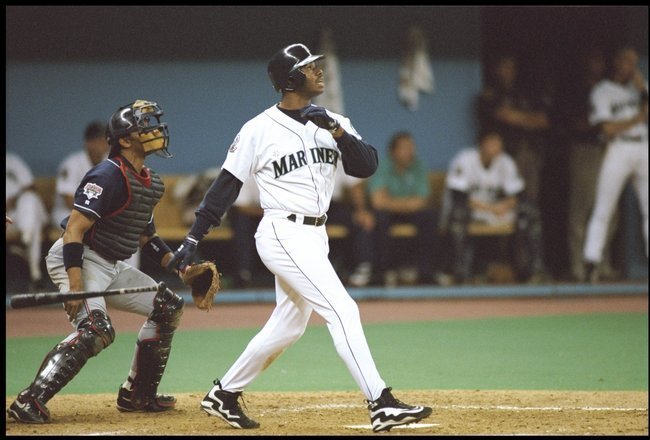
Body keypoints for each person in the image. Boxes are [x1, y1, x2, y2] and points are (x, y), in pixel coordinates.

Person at [167, 43, 432, 432]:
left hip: (316, 234)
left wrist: (336, 130)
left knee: (290, 324)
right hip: (281, 232)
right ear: (291, 79)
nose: (320, 72)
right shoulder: (258, 129)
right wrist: (193, 238)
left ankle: (223, 394)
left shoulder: (333, 121)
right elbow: (224, 187)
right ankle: (381, 402)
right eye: (311, 68)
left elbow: (367, 166)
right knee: (343, 310)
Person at [7, 100, 185, 424]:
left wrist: (183, 268)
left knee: (168, 306)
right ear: (125, 140)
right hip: (76, 257)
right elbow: (74, 229)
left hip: (110, 264)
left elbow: (149, 239)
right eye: (144, 127)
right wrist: (76, 286)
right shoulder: (107, 174)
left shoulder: (149, 181)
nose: (155, 131)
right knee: (96, 329)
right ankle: (29, 400)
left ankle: (137, 395)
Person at [443, 129, 546, 284]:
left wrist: (504, 206)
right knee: (458, 215)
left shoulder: (505, 161)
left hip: (496, 211)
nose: (495, 147)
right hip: (473, 210)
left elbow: (518, 194)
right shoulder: (465, 159)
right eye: (491, 143)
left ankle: (531, 270)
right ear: (481, 144)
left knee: (530, 213)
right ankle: (458, 271)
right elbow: (459, 197)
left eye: (498, 144)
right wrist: (491, 209)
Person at [583, 45, 648, 283]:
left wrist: (642, 90)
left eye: (633, 61)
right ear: (616, 63)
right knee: (604, 208)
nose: (630, 66)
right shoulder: (603, 91)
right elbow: (607, 128)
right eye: (626, 61)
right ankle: (591, 263)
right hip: (618, 148)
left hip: (643, 146)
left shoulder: (641, 89)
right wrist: (637, 118)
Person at [559, 47, 620, 282]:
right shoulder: (576, 90)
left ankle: (601, 263)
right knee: (581, 210)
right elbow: (575, 124)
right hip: (585, 151)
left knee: (609, 212)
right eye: (594, 58)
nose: (598, 64)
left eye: (601, 59)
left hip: (610, 151)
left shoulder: (609, 90)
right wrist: (602, 125)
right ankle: (578, 266)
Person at [477, 53, 551, 206]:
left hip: (530, 151)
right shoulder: (491, 93)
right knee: (506, 197)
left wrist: (521, 119)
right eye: (505, 67)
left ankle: (529, 226)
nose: (509, 71)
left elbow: (544, 121)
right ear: (496, 69)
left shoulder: (525, 92)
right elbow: (505, 115)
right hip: (505, 153)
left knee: (530, 197)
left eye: (512, 67)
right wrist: (529, 120)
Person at [366, 131, 439, 286]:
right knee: (379, 218)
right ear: (393, 151)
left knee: (430, 216)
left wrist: (392, 202)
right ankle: (380, 274)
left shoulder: (418, 165)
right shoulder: (382, 165)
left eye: (412, 147)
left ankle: (426, 274)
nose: (410, 151)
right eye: (405, 148)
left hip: (410, 213)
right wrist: (406, 204)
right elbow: (378, 202)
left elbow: (421, 201)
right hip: (387, 213)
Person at [50, 121, 111, 228]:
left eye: (107, 141)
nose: (106, 145)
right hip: (68, 212)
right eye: (101, 141)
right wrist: (93, 214)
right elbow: (68, 199)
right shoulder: (71, 164)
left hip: (98, 213)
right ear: (89, 143)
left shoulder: (110, 163)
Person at [328, 163, 375, 287]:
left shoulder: (333, 148)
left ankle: (362, 267)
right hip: (300, 205)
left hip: (330, 206)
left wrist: (361, 211)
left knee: (359, 220)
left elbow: (355, 185)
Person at [6, 151, 48, 288]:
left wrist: (14, 199)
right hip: (10, 217)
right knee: (32, 226)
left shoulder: (12, 160)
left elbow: (30, 187)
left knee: (30, 199)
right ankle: (35, 274)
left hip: (21, 211)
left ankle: (25, 241)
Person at [228, 174, 265, 287]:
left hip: (273, 215)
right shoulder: (248, 173)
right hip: (249, 215)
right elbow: (241, 207)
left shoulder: (282, 174)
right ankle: (243, 273)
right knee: (242, 224)